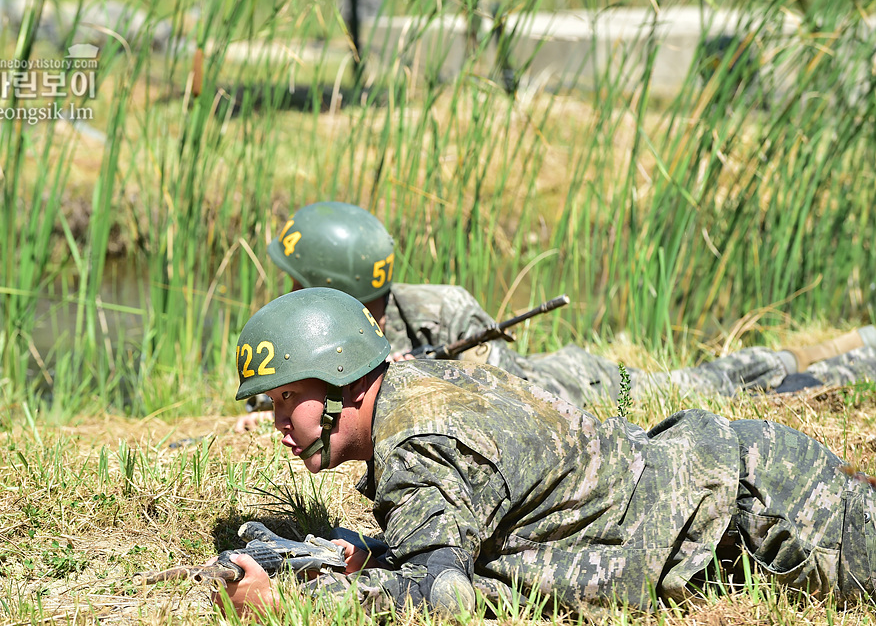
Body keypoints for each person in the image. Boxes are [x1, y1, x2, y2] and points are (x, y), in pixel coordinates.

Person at [218, 288, 876, 618]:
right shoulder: (416, 382)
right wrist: (375, 555)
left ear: (341, 380)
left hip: (768, 521)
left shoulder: (416, 443)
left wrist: (287, 604)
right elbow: (471, 523)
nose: (277, 423)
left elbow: (444, 595)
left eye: (285, 400)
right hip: (748, 480)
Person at [253, 201, 876, 411]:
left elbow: (496, 397)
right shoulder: (327, 337)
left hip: (578, 387)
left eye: (295, 283)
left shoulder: (442, 312)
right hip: (561, 385)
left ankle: (852, 355)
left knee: (726, 381)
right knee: (731, 377)